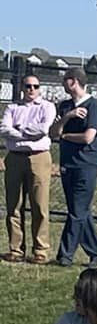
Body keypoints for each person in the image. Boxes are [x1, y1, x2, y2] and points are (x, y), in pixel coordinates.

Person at [53, 67, 97, 267]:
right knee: (79, 211)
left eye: (65, 80)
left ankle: (65, 255)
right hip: (68, 164)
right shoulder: (65, 106)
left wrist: (66, 136)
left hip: (87, 165)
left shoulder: (94, 107)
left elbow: (88, 137)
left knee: (77, 211)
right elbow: (53, 133)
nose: (62, 83)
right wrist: (68, 117)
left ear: (74, 81)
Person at [3, 71, 56, 264]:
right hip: (15, 158)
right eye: (28, 86)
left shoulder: (48, 107)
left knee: (39, 205)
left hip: (39, 157)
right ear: (22, 88)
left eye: (35, 86)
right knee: (13, 206)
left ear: (40, 88)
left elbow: (43, 130)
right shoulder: (12, 107)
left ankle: (40, 250)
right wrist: (28, 133)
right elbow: (3, 129)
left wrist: (18, 130)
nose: (31, 89)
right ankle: (16, 249)